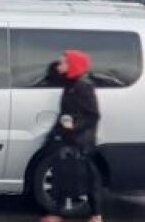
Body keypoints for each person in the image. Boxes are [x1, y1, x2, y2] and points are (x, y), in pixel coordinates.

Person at [41, 50, 103, 222]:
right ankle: (57, 213)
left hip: (80, 140)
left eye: (63, 62)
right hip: (68, 137)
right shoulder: (71, 82)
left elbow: (93, 115)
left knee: (87, 176)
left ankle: (96, 216)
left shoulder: (83, 85)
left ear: (73, 66)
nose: (59, 65)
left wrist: (74, 127)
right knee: (63, 174)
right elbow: (52, 75)